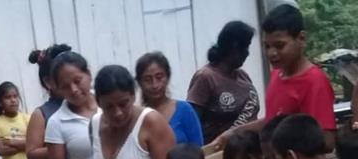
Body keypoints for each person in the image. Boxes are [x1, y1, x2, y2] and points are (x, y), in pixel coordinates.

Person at [210, 5, 337, 150]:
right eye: (267, 46)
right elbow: (272, 122)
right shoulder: (277, 74)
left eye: (279, 45)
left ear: (301, 39)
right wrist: (234, 133)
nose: (271, 53)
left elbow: (327, 141)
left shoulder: (314, 81)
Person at [92, 64, 175, 159]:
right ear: (98, 102)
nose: (117, 113)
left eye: (123, 104)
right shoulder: (95, 124)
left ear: (133, 96)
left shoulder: (151, 122)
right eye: (109, 107)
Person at [186, 21, 260, 146]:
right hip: (217, 150)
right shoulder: (206, 77)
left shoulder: (243, 76)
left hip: (247, 149)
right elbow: (192, 122)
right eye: (245, 47)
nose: (247, 53)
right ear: (233, 47)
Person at [44, 51, 100, 159]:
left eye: (77, 81)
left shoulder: (110, 103)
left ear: (89, 74)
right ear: (58, 89)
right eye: (65, 86)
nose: (73, 90)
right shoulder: (56, 122)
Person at [135, 51, 203, 146]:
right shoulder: (136, 118)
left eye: (159, 77)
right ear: (139, 82)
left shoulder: (185, 110)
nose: (155, 85)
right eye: (148, 79)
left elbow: (198, 148)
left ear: (168, 77)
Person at [26, 44, 72, 159]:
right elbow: (31, 154)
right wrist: (66, 146)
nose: (71, 85)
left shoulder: (93, 103)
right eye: (63, 78)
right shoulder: (42, 114)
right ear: (48, 82)